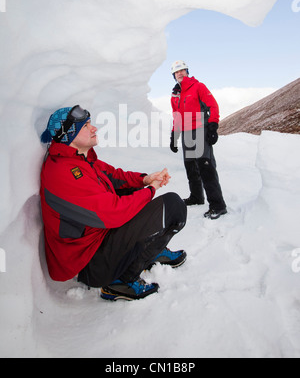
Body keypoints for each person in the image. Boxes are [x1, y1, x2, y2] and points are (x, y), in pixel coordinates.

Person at [40, 105, 187, 301]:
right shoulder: (64, 173)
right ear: (69, 135)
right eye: (85, 126)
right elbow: (114, 211)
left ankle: (150, 250)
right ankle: (121, 282)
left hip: (97, 241)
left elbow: (115, 176)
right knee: (172, 206)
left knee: (131, 192)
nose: (94, 128)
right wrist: (151, 189)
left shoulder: (79, 161)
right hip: (90, 262)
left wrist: (145, 180)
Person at [170, 60, 227, 219]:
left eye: (182, 70)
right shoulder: (175, 95)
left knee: (205, 167)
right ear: (173, 76)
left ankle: (218, 205)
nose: (180, 73)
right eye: (176, 72)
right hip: (187, 133)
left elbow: (213, 105)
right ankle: (196, 197)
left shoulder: (198, 86)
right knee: (191, 167)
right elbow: (177, 117)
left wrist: (213, 125)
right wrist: (174, 136)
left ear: (187, 71)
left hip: (200, 130)